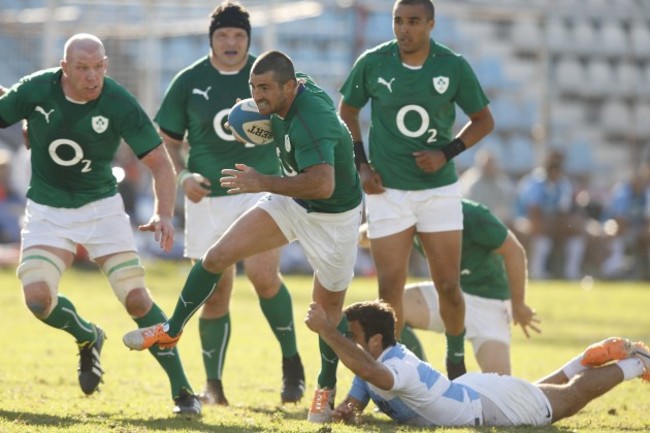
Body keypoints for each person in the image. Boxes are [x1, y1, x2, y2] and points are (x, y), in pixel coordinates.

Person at [123, 50, 363, 423]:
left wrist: (260, 181)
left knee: (325, 313)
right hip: (291, 202)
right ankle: (171, 330)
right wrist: (253, 108)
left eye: (265, 89)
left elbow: (323, 184)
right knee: (217, 256)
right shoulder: (288, 90)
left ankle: (324, 388)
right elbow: (276, 99)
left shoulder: (312, 118)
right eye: (253, 88)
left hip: (335, 217)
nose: (258, 96)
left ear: (290, 86)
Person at [0, 33, 201, 415]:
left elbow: (160, 163)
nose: (93, 76)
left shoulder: (119, 101)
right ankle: (88, 336)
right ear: (64, 69)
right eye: (82, 68)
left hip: (101, 209)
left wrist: (162, 213)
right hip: (48, 209)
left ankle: (183, 392)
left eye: (99, 67)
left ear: (106, 65)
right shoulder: (36, 89)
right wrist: (26, 114)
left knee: (137, 299)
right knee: (38, 300)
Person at [155, 1, 304, 405]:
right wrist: (183, 176)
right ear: (211, 39)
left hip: (258, 191)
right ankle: (213, 387)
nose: (232, 42)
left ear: (249, 40)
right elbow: (166, 141)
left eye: (239, 35)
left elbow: (301, 119)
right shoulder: (189, 81)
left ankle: (292, 364)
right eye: (224, 35)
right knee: (215, 294)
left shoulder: (268, 76)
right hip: (206, 198)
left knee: (262, 275)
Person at [338, 0, 495, 380]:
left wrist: (446, 152)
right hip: (386, 193)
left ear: (430, 24)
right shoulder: (374, 62)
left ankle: (455, 360)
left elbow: (483, 120)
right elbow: (347, 111)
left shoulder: (452, 65)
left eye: (412, 21)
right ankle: (393, 369)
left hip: (437, 192)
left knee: (448, 286)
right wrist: (362, 165)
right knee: (390, 288)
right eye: (397, 21)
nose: (403, 29)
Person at [305, 299, 650, 427]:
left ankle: (638, 363)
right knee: (537, 396)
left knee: (567, 402)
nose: (348, 342)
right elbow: (359, 393)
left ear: (376, 340)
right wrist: (347, 410)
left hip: (486, 404)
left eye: (352, 336)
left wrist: (325, 331)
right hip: (473, 392)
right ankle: (581, 361)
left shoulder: (397, 365)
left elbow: (369, 373)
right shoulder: (372, 362)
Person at [360, 199, 540, 374]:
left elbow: (514, 251)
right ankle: (422, 383)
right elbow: (371, 237)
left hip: (490, 303)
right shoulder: (408, 216)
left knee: (501, 390)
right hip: (445, 295)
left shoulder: (472, 214)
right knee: (386, 313)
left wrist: (518, 304)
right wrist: (361, 233)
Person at [515, 150, 587, 280]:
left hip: (551, 222)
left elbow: (563, 211)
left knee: (575, 233)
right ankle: (537, 272)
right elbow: (533, 212)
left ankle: (571, 273)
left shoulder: (563, 183)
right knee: (542, 238)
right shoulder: (534, 182)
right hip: (526, 220)